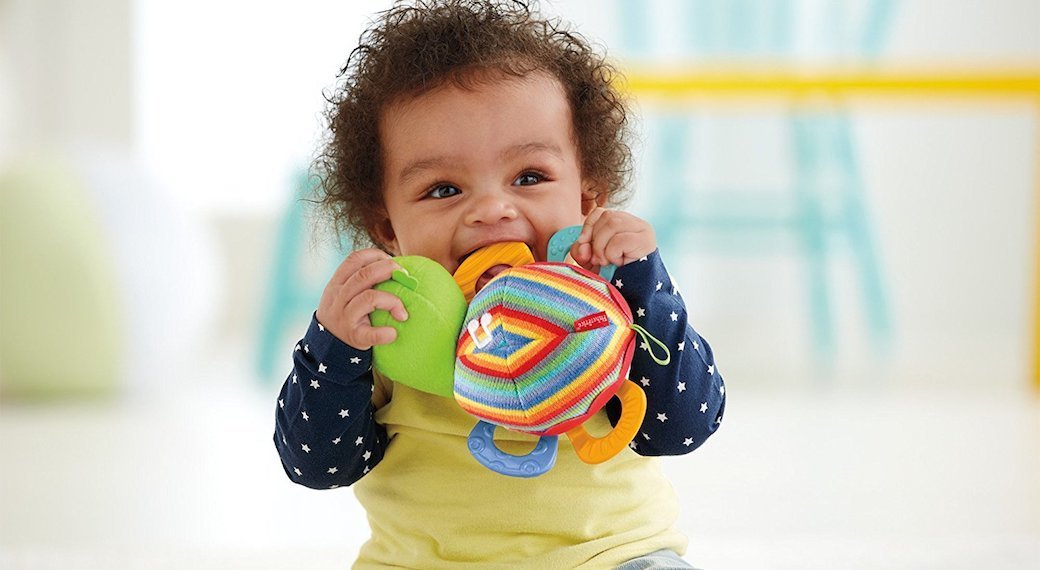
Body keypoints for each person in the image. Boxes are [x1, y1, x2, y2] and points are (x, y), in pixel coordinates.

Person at [273, 1, 726, 567]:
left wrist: (645, 285)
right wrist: (334, 349)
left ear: (586, 198)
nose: (491, 210)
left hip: (610, 556)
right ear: (387, 226)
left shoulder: (609, 301)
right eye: (443, 189)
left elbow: (683, 427)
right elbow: (316, 465)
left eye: (529, 177)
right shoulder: (393, 320)